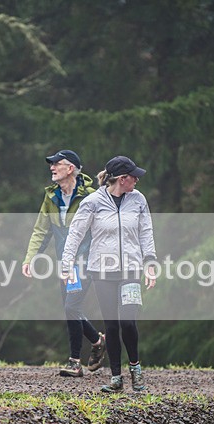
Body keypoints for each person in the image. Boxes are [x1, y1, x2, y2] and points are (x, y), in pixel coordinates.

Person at [60, 156, 157, 392]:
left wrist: (150, 261)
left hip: (131, 269)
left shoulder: (139, 200)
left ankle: (135, 369)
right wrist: (66, 262)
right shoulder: (93, 202)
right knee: (112, 325)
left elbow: (146, 231)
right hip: (102, 271)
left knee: (128, 321)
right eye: (134, 176)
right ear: (122, 179)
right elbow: (75, 233)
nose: (137, 179)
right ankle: (116, 377)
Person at [22, 149, 107, 378]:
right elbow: (41, 230)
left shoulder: (92, 194)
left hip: (87, 260)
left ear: (70, 169)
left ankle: (74, 362)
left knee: (71, 307)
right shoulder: (51, 197)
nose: (51, 168)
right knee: (71, 309)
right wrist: (30, 257)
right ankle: (97, 341)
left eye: (56, 164)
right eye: (51, 165)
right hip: (65, 261)